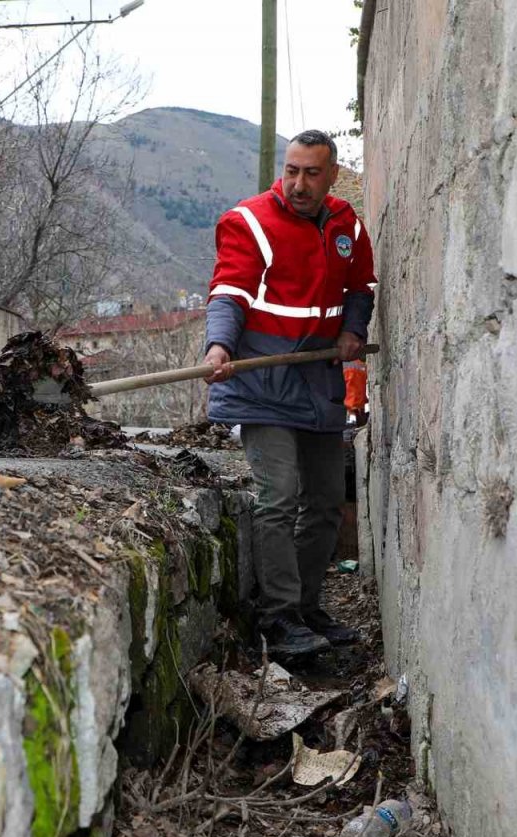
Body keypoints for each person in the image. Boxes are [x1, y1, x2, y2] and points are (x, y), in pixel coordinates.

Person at [201, 130, 378, 657]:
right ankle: (277, 618)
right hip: (261, 380)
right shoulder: (249, 221)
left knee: (325, 501)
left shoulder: (347, 224)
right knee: (278, 498)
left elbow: (359, 287)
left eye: (311, 173)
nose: (298, 184)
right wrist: (218, 348)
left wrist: (353, 331)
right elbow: (229, 291)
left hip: (318, 380)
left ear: (332, 175)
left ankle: (304, 605)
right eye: (292, 171)